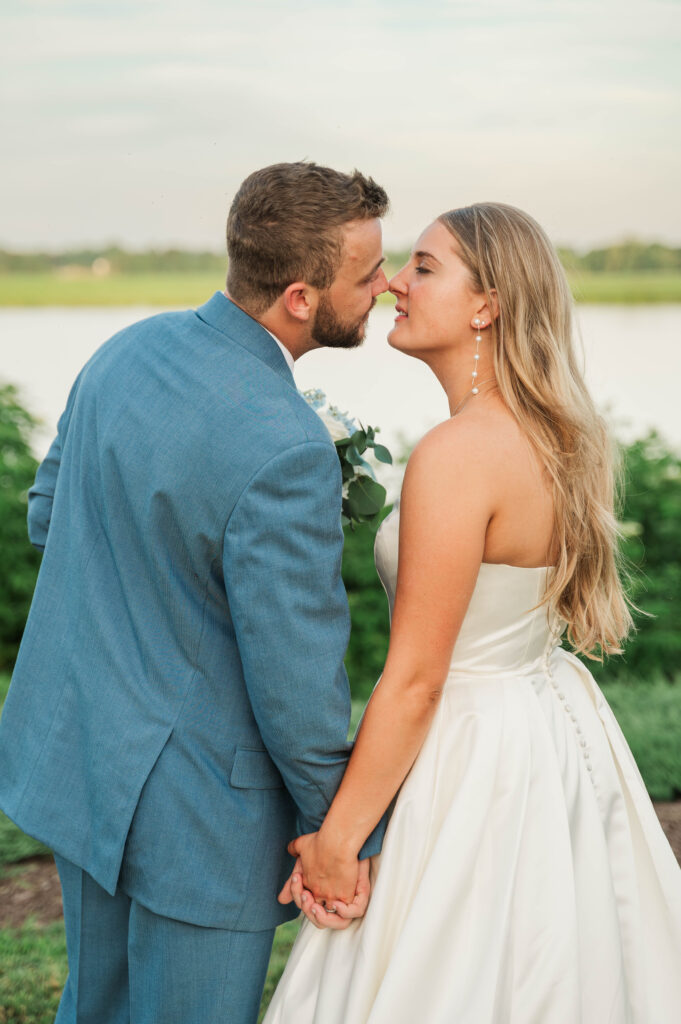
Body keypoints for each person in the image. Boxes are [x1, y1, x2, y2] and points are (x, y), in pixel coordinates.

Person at [266, 203, 681, 1023]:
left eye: (423, 267)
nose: (393, 282)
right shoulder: (555, 436)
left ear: (486, 304)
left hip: (469, 745)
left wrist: (339, 843)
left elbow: (418, 678)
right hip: (548, 723)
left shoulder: (458, 455)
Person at [0, 161, 391, 1024]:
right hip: (203, 811)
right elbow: (296, 681)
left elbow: (46, 518)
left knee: (93, 1006)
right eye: (366, 274)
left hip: (84, 756)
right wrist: (338, 834)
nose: (384, 286)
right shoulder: (286, 445)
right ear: (299, 296)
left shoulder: (127, 348)